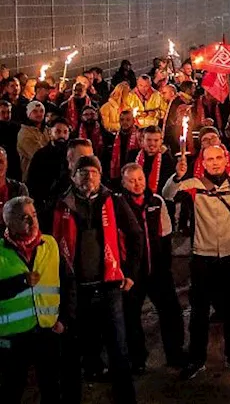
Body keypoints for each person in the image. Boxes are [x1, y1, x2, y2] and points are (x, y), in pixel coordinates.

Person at [52, 155, 143, 404]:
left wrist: (131, 274)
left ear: (100, 175)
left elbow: (136, 235)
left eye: (93, 172)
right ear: (73, 176)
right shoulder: (61, 204)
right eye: (83, 173)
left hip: (108, 286)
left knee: (118, 351)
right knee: (71, 354)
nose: (88, 177)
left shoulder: (113, 200)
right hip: (74, 290)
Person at [163, 142, 230, 380]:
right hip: (202, 258)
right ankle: (197, 359)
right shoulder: (194, 185)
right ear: (203, 163)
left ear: (226, 160)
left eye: (219, 158)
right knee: (199, 313)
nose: (215, 162)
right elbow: (168, 194)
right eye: (210, 159)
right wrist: (177, 175)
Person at [0, 196, 74, 404]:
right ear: (9, 222)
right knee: (11, 390)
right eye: (24, 217)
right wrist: (19, 282)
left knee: (51, 388)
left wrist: (65, 319)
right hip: (13, 337)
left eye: (33, 215)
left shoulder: (49, 244)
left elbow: (68, 283)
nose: (32, 222)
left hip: (46, 331)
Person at [118, 162, 185, 371]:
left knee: (171, 312)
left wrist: (165, 267)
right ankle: (137, 358)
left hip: (157, 269)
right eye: (131, 180)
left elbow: (165, 234)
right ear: (123, 182)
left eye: (140, 179)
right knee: (131, 317)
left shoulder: (156, 201)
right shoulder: (118, 204)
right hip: (131, 273)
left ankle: (175, 354)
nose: (137, 184)